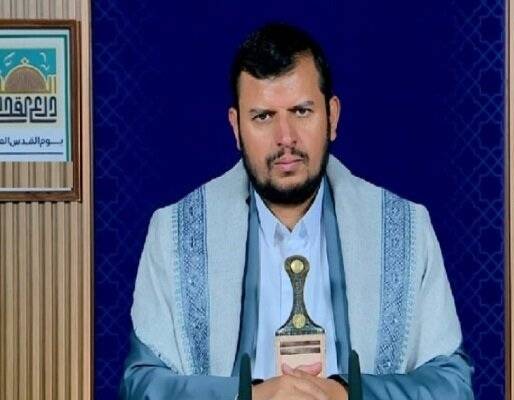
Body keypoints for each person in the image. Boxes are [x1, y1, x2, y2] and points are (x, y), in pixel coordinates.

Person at [120, 23, 474, 400]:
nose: (285, 138)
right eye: (263, 116)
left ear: (332, 117)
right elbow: (141, 386)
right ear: (236, 127)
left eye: (302, 111)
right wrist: (250, 397)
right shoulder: (175, 233)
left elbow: (452, 385)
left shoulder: (404, 228)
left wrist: (347, 395)